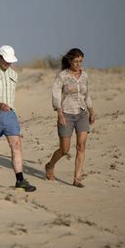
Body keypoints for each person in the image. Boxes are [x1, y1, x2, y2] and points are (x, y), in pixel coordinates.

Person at [0, 45, 37, 192]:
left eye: (10, 61)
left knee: (16, 145)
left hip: (10, 114)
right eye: (6, 60)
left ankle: (20, 180)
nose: (8, 63)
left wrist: (7, 107)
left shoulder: (14, 74)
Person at [45, 48, 95, 188]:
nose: (78, 64)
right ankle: (50, 165)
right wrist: (59, 112)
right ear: (70, 61)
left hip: (82, 113)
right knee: (64, 149)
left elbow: (87, 94)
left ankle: (77, 178)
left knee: (81, 146)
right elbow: (56, 94)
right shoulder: (62, 76)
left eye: (81, 61)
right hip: (66, 113)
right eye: (76, 61)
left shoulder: (85, 76)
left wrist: (91, 111)